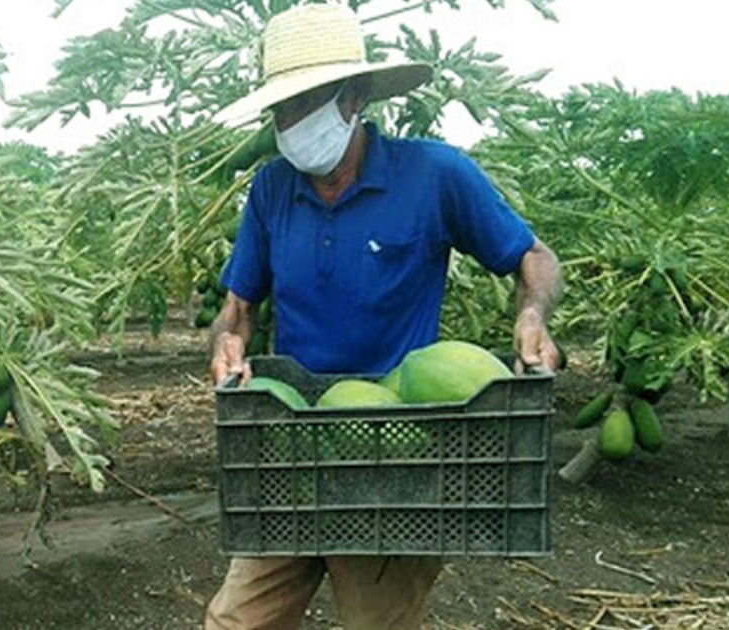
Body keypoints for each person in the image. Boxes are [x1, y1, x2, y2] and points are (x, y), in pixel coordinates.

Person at [206, 3, 562, 630]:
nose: (288, 124)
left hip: (397, 455)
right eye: (281, 109)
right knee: (236, 620)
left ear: (355, 97)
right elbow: (239, 307)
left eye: (303, 104)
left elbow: (532, 256)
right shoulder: (270, 189)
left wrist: (533, 314)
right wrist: (228, 344)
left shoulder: (435, 173)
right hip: (293, 442)